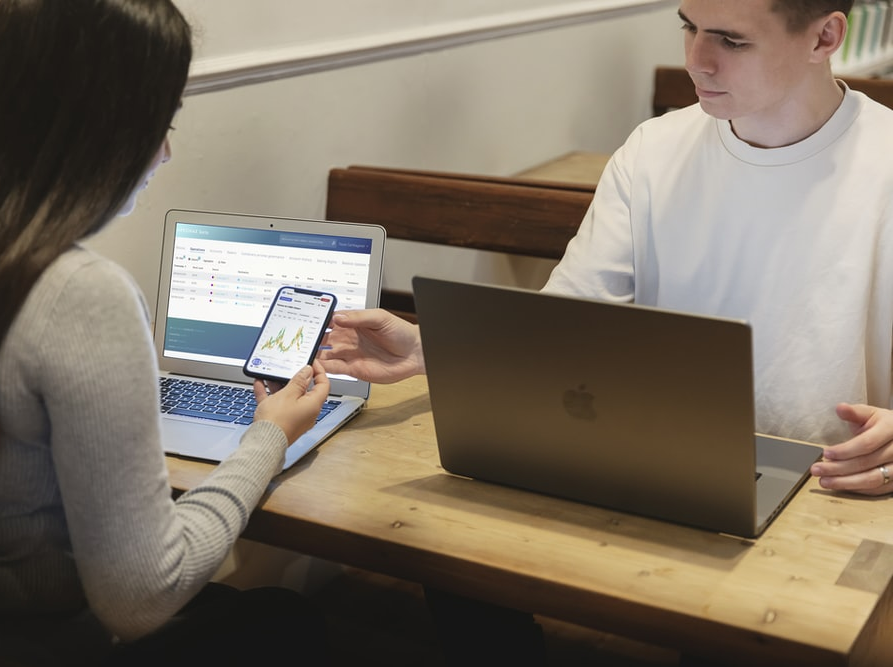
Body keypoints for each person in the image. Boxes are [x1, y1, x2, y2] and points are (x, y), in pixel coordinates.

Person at [319, 0, 893, 663]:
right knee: (445, 539)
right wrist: (431, 347)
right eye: (689, 26)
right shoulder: (655, 150)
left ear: (825, 37)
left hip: (830, 492)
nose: (697, 60)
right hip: (652, 466)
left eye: (731, 40)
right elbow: (567, 325)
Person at [0, 1, 332, 666]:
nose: (165, 150)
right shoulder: (78, 294)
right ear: (96, 129)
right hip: (28, 641)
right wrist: (268, 434)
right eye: (159, 122)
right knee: (286, 622)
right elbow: (139, 597)